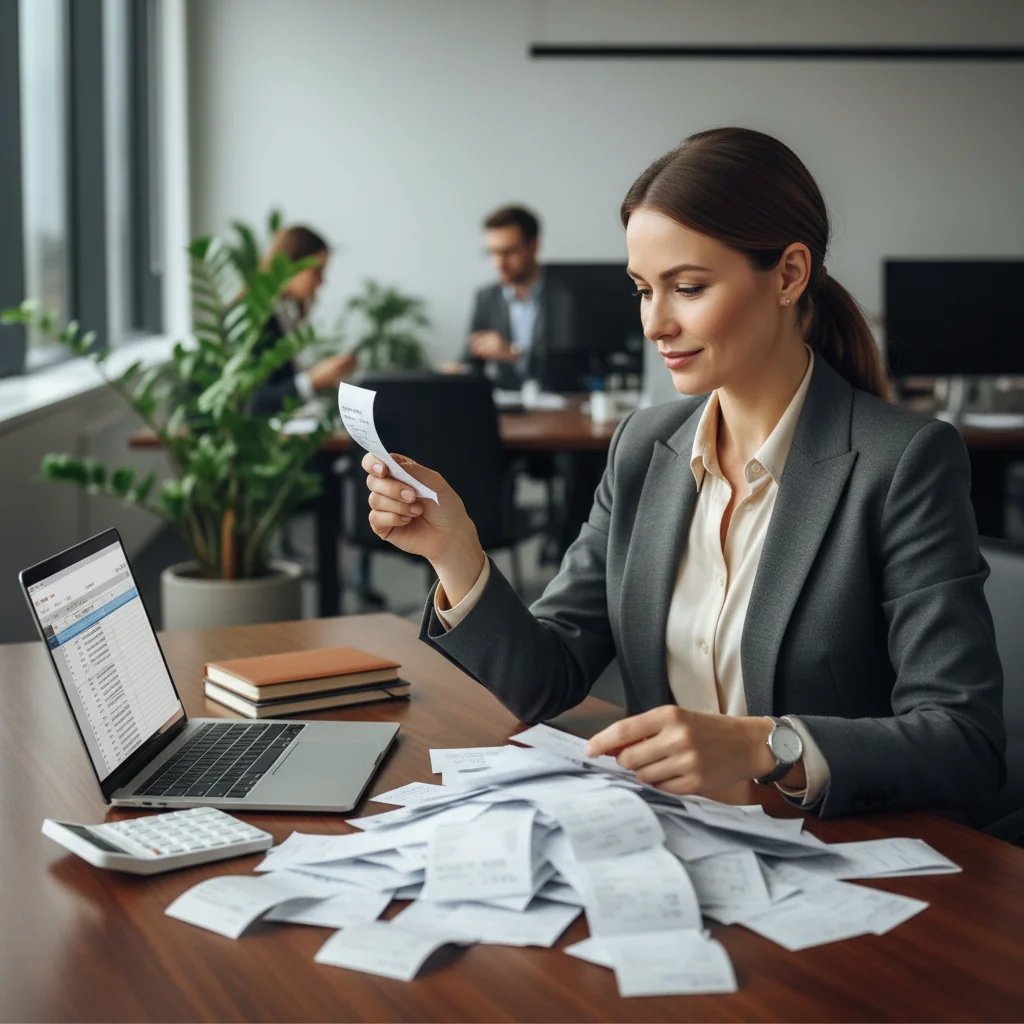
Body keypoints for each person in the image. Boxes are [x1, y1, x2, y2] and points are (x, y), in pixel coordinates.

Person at [363, 127, 1005, 817]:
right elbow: (545, 681)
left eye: (688, 287)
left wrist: (769, 746)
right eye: (643, 290)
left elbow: (966, 743)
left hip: (832, 852)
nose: (655, 324)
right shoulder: (645, 447)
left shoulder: (901, 462)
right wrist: (454, 553)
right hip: (673, 845)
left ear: (789, 274)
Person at [251, 225, 355, 416]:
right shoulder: (252, 320)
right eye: (316, 272)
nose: (321, 282)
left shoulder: (280, 317)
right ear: (289, 265)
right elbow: (254, 401)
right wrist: (313, 379)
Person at [444, 205, 550, 390]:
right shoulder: (486, 297)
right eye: (492, 252)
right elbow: (472, 360)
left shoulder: (563, 295)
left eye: (509, 252)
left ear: (533, 246)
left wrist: (514, 353)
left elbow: (571, 367)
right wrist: (458, 370)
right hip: (508, 407)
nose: (498, 263)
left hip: (563, 405)